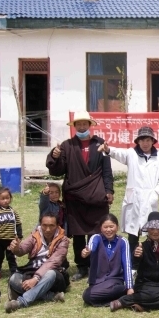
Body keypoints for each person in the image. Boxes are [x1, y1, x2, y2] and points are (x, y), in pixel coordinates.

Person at [47, 111, 113, 282]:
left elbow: (107, 171)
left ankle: (95, 264)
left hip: (96, 195)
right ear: (74, 126)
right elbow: (57, 170)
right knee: (78, 233)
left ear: (90, 125)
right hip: (75, 196)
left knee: (96, 232)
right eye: (79, 124)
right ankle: (82, 266)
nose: (82, 127)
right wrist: (54, 156)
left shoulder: (99, 143)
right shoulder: (67, 145)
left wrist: (109, 191)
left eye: (85, 123)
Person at [100, 126, 159, 258]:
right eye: (142, 140)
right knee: (133, 233)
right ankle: (131, 262)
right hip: (134, 198)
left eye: (148, 140)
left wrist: (156, 193)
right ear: (138, 141)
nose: (145, 143)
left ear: (152, 141)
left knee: (150, 232)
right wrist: (108, 150)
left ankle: (149, 261)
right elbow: (118, 153)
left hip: (150, 198)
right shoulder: (131, 154)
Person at [110, 212, 159, 312]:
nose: (155, 232)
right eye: (152, 228)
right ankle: (124, 301)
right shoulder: (141, 246)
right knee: (147, 294)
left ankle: (143, 305)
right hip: (145, 285)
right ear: (147, 229)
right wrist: (136, 256)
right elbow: (134, 265)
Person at [4, 212, 69, 313]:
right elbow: (22, 250)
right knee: (14, 278)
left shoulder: (63, 240)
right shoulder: (35, 236)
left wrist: (36, 278)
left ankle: (21, 302)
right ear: (40, 224)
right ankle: (50, 296)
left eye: (51, 226)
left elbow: (53, 262)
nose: (48, 229)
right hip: (32, 273)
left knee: (50, 273)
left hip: (55, 278)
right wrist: (16, 248)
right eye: (44, 225)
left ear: (57, 225)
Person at [81, 214, 134, 306]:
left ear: (117, 227)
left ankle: (123, 292)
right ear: (101, 228)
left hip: (114, 281)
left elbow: (127, 265)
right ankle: (119, 301)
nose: (108, 230)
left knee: (90, 296)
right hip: (97, 282)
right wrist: (87, 251)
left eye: (111, 227)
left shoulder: (123, 242)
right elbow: (91, 246)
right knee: (87, 296)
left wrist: (130, 287)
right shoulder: (96, 238)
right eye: (105, 227)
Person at [0, 186, 22, 283]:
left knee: (11, 256)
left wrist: (19, 236)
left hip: (11, 240)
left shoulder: (13, 212)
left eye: (7, 198)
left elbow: (18, 224)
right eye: (2, 199)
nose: (6, 201)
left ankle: (14, 272)